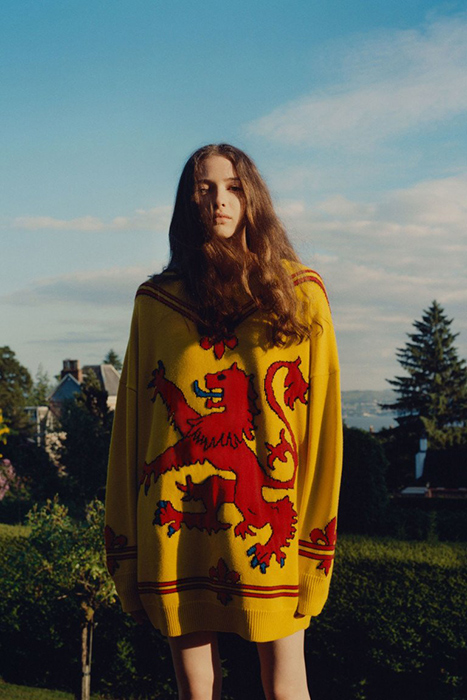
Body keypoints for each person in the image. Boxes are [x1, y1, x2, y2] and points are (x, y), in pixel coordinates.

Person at [105, 144, 343, 700]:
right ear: (188, 201)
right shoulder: (156, 303)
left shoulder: (299, 294)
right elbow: (132, 432)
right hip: (176, 531)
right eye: (204, 188)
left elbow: (323, 430)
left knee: (285, 688)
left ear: (252, 196)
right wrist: (125, 550)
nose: (219, 200)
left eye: (233, 187)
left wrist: (315, 551)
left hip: (270, 529)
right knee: (197, 692)